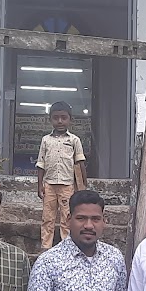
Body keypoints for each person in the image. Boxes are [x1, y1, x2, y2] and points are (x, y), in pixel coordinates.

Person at [35, 100, 88, 250]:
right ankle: (46, 247)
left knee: (66, 218)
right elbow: (41, 164)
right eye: (56, 117)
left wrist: (83, 186)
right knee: (47, 218)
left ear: (70, 120)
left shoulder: (74, 140)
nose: (60, 121)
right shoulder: (45, 140)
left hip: (67, 186)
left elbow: (80, 163)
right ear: (50, 119)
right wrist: (40, 185)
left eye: (63, 117)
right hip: (49, 185)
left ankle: (66, 247)